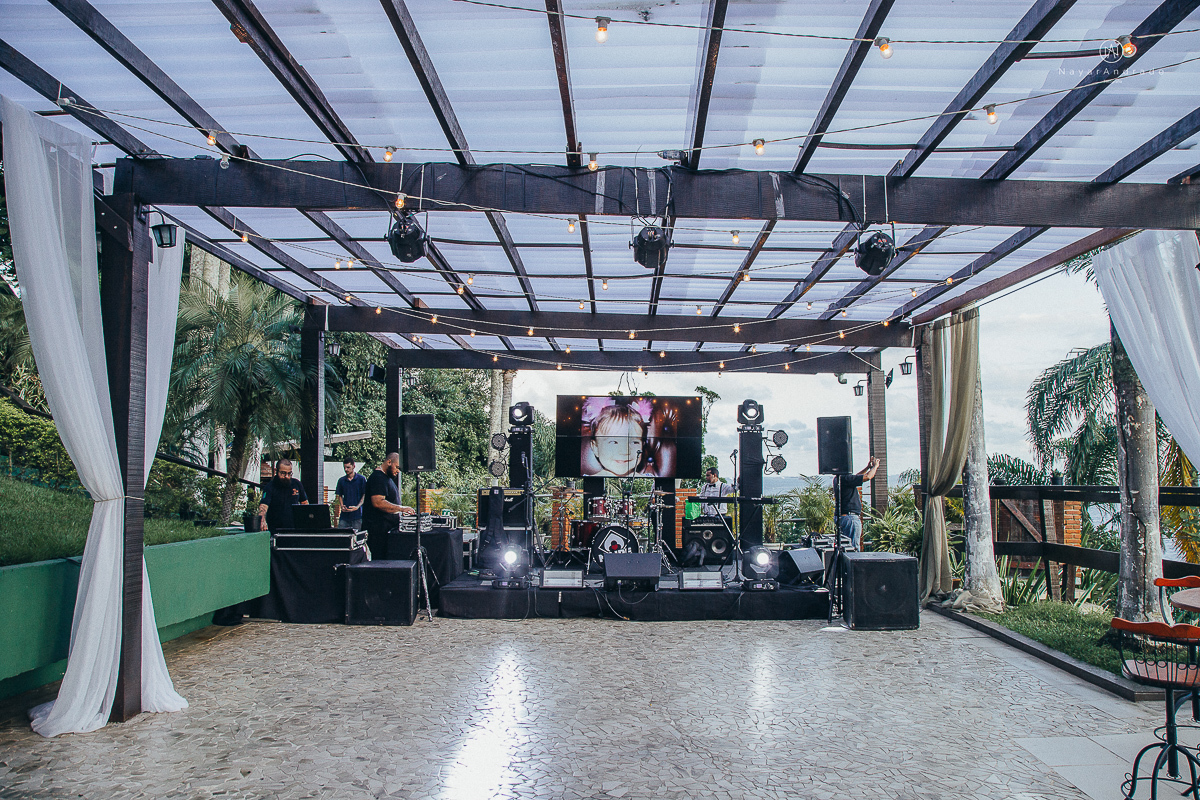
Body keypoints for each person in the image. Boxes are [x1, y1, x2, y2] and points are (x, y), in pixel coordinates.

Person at [361, 452, 415, 559]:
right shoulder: (378, 478)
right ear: (389, 462)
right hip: (378, 532)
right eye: (397, 467)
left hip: (386, 531)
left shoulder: (386, 478)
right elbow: (378, 502)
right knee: (381, 562)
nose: (398, 471)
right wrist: (401, 509)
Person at [583, 402, 649, 477]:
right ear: (595, 448)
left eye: (634, 442)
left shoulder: (649, 480)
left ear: (642, 446)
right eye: (613, 442)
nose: (624, 451)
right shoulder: (586, 481)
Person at [836, 456, 879, 550]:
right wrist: (875, 467)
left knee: (846, 548)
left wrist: (867, 468)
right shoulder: (845, 478)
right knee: (853, 549)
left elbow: (856, 477)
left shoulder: (839, 478)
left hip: (844, 517)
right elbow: (868, 477)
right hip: (850, 518)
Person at [257, 459, 308, 531]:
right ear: (276, 471)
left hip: (294, 529)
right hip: (275, 529)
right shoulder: (270, 487)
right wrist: (262, 519)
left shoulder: (296, 484)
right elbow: (264, 506)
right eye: (283, 473)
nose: (286, 476)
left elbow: (304, 503)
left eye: (289, 473)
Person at [334, 458, 367, 531]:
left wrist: (358, 506)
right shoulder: (341, 480)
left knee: (357, 537)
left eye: (348, 467)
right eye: (345, 467)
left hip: (357, 515)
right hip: (344, 515)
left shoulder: (361, 479)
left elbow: (364, 495)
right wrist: (342, 505)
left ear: (353, 466)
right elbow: (339, 495)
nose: (346, 469)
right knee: (341, 535)